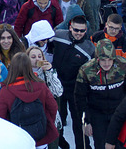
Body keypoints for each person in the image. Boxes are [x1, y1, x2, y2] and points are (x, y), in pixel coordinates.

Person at [75, 38, 126, 149]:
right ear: (97, 58)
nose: (107, 64)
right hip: (97, 114)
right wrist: (86, 121)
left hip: (119, 112)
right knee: (101, 145)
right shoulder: (86, 70)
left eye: (110, 60)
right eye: (103, 60)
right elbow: (79, 97)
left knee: (121, 145)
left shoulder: (124, 66)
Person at [0, 52, 60, 148]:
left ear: (12, 68)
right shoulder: (41, 85)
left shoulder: (6, 91)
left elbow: (0, 117)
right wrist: (47, 122)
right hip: (41, 137)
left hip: (18, 140)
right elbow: (53, 107)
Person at [50, 14, 95, 149]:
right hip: (57, 86)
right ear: (70, 27)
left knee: (78, 122)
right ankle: (60, 143)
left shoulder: (89, 48)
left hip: (75, 88)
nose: (79, 33)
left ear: (86, 30)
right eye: (76, 30)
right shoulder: (58, 35)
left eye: (82, 31)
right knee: (58, 119)